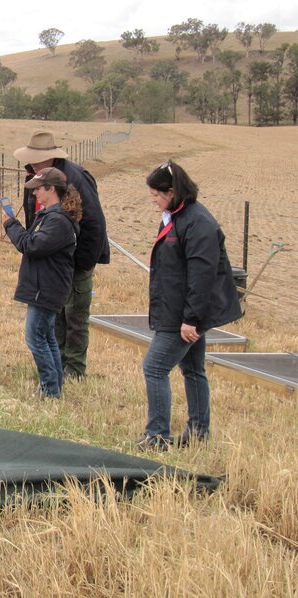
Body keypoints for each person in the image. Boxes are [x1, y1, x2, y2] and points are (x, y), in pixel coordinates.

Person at [137, 161, 242, 451]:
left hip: (183, 314)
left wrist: (191, 319)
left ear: (172, 192)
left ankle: (157, 436)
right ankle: (198, 433)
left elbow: (203, 275)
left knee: (155, 368)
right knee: (193, 369)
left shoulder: (199, 224)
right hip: (175, 307)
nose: (153, 199)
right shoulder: (174, 216)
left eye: (156, 194)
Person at [13, 130, 109, 379]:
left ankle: (74, 368)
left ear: (49, 158)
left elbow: (95, 225)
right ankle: (58, 365)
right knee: (54, 314)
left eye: (35, 158)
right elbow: (33, 217)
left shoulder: (75, 178)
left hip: (75, 259)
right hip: (49, 259)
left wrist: (80, 264)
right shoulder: (36, 177)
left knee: (75, 314)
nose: (30, 163)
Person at [2, 168, 82, 398]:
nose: (34, 192)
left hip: (45, 288)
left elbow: (32, 246)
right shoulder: (51, 216)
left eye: (38, 188)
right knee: (46, 336)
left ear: (51, 189)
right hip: (45, 286)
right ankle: (54, 386)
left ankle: (49, 391)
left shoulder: (57, 220)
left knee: (35, 337)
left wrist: (10, 224)